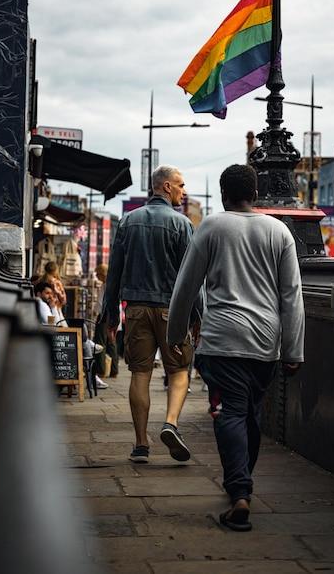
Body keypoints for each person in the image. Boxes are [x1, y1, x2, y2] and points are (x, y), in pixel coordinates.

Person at [167, 164, 305, 532]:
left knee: (228, 412)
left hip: (222, 340)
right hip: (265, 341)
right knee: (251, 414)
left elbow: (186, 286)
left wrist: (174, 334)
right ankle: (241, 485)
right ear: (255, 194)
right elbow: (291, 294)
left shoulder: (212, 226)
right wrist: (294, 350)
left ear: (225, 196)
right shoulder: (280, 232)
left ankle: (240, 491)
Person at [104, 165, 201, 464]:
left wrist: (110, 316)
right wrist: (197, 315)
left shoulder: (128, 222)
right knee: (180, 370)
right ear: (166, 187)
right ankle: (170, 423)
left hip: (135, 310)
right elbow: (191, 277)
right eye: (181, 185)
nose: (184, 192)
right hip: (171, 311)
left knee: (140, 374)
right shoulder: (182, 224)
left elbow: (114, 274)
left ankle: (140, 445)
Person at [93, 264, 119, 379]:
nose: (97, 277)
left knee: (101, 342)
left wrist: (96, 312)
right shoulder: (112, 283)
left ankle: (101, 369)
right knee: (111, 342)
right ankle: (114, 370)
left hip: (104, 315)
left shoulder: (106, 285)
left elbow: (101, 302)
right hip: (111, 314)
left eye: (97, 274)